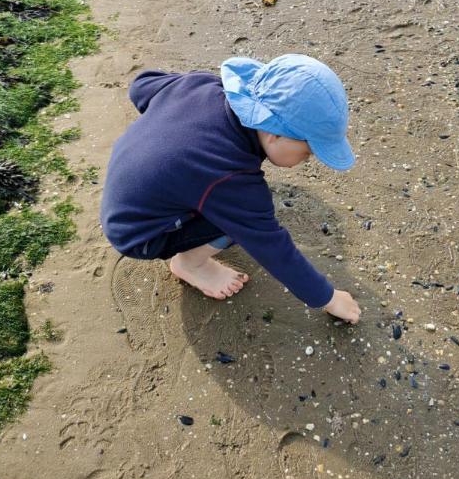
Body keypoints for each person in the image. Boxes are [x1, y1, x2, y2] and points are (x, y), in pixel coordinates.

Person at [100, 54, 361, 324]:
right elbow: (272, 247)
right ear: (274, 134)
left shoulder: (200, 85)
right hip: (138, 234)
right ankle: (190, 264)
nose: (307, 161)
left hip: (124, 190)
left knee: (210, 194)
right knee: (242, 221)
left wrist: (166, 134)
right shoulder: (230, 178)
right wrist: (327, 297)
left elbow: (142, 84)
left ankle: (180, 209)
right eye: (307, 152)